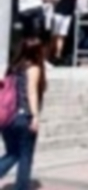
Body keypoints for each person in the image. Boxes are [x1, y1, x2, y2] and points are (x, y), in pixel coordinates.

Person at [0, 40, 47, 190]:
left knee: (13, 153)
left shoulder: (12, 68)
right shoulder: (33, 68)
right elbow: (31, 92)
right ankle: (21, 187)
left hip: (7, 116)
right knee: (25, 155)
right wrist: (35, 116)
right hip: (23, 117)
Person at [52, 0, 79, 65]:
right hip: (57, 12)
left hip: (68, 14)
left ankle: (58, 55)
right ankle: (52, 54)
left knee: (62, 35)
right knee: (54, 35)